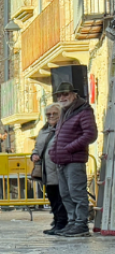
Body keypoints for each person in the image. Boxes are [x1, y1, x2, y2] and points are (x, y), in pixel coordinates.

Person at [48, 82, 98, 238]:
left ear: (73, 94)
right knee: (66, 194)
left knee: (77, 193)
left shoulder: (83, 111)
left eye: (65, 94)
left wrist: (69, 148)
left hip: (74, 160)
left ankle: (81, 224)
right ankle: (72, 222)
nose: (62, 97)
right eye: (59, 95)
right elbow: (59, 136)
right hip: (62, 160)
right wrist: (53, 151)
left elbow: (90, 134)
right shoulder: (65, 112)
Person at [31, 103, 68, 235]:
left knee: (61, 198)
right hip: (47, 171)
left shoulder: (65, 128)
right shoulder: (43, 130)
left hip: (60, 170)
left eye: (54, 114)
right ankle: (57, 222)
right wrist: (34, 154)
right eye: (48, 114)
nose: (51, 116)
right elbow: (37, 147)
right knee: (52, 198)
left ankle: (62, 224)